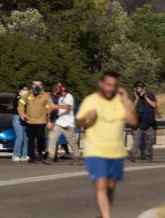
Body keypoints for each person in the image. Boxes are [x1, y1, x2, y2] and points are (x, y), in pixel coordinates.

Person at [76, 70, 138, 218]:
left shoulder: (121, 100)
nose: (110, 88)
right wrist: (86, 117)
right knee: (101, 184)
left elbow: (133, 121)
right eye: (108, 85)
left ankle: (103, 214)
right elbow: (77, 122)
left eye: (114, 86)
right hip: (95, 150)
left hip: (116, 152)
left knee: (110, 186)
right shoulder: (90, 100)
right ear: (101, 84)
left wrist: (126, 100)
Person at [45, 81, 80, 164]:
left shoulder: (69, 96)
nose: (56, 88)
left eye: (58, 86)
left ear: (63, 88)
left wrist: (56, 106)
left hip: (68, 123)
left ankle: (76, 157)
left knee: (72, 141)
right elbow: (60, 111)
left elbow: (68, 107)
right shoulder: (60, 98)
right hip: (59, 122)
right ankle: (50, 157)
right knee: (52, 137)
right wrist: (53, 111)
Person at [18, 80, 50, 162]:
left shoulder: (45, 95)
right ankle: (31, 156)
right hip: (29, 121)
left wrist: (49, 115)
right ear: (32, 85)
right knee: (30, 139)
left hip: (41, 121)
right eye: (35, 84)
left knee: (40, 138)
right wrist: (22, 114)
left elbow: (49, 107)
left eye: (39, 85)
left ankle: (40, 152)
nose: (37, 86)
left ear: (42, 86)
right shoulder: (27, 94)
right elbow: (21, 104)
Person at [129, 82, 157, 162]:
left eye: (141, 88)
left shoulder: (150, 94)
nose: (139, 89)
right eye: (138, 88)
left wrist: (145, 97)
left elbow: (154, 105)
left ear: (144, 88)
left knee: (150, 141)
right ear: (135, 89)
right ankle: (133, 155)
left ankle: (148, 154)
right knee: (137, 139)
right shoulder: (135, 97)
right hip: (138, 122)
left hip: (149, 121)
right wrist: (137, 98)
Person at [11, 84, 29, 162]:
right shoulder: (18, 97)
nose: (26, 91)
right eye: (25, 89)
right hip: (17, 118)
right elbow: (19, 108)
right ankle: (15, 155)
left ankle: (24, 155)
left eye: (27, 90)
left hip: (25, 118)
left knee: (26, 137)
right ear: (20, 90)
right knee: (20, 137)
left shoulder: (26, 98)